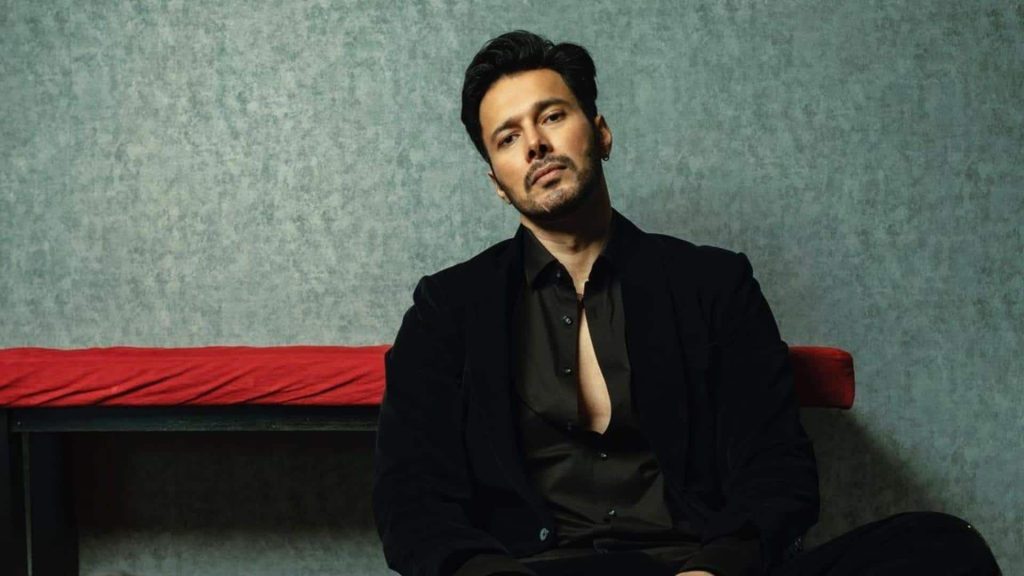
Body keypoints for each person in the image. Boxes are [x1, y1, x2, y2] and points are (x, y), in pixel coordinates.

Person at [372, 30, 1001, 576]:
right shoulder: (448, 308)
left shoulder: (714, 284)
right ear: (497, 182)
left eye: (552, 116)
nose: (534, 144)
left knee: (940, 548)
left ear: (601, 132)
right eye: (507, 138)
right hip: (535, 572)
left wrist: (716, 568)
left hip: (694, 566)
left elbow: (777, 469)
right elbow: (412, 499)